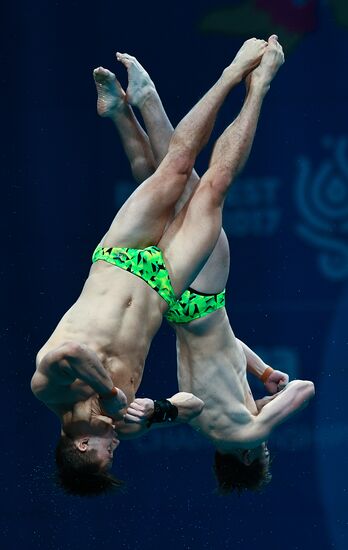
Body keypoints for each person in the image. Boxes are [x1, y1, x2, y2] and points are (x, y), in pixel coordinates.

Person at [31, 37, 269, 495]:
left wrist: (110, 394)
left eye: (107, 456)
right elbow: (192, 406)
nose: (116, 447)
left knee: (177, 168)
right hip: (163, 285)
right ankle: (134, 109)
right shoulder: (127, 425)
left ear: (82, 447)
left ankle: (230, 73)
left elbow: (68, 354)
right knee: (213, 189)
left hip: (118, 259)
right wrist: (157, 411)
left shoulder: (51, 391)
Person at [109, 36, 315, 494]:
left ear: (245, 456)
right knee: (162, 186)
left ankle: (250, 87)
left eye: (261, 451)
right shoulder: (204, 428)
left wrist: (268, 410)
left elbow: (306, 390)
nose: (262, 443)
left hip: (203, 297)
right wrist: (261, 373)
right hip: (178, 304)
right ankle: (124, 112)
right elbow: (224, 348)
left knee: (203, 185)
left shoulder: (247, 432)